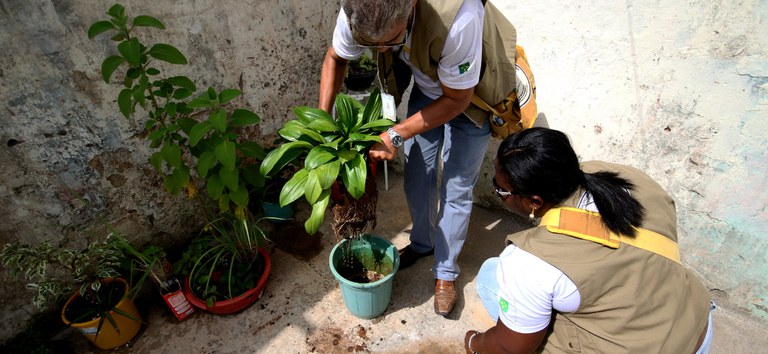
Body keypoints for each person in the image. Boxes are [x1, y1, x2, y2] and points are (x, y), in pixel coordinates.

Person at [318, 0, 520, 317]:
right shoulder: (356, 11)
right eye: (374, 45)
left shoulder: (458, 19)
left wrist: (396, 134)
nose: (383, 49)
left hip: (473, 97)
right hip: (429, 89)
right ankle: (423, 244)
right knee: (417, 177)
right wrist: (322, 123)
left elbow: (457, 99)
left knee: (456, 187)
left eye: (391, 40)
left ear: (411, 6)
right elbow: (335, 59)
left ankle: (445, 273)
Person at [463, 127, 715, 353]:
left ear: (534, 202)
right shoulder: (624, 177)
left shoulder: (528, 263)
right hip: (697, 326)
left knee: (491, 277)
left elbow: (510, 348)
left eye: (501, 189)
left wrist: (476, 344)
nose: (497, 190)